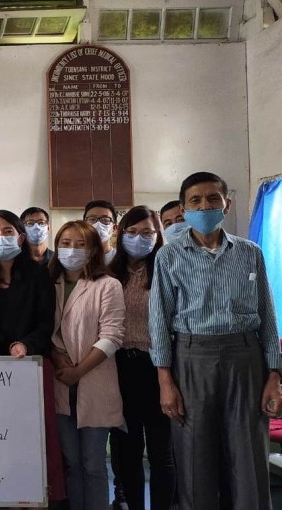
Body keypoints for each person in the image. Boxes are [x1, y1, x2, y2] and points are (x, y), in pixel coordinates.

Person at [149, 172, 280, 510]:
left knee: (249, 455)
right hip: (191, 359)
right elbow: (159, 323)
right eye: (195, 200)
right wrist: (165, 381)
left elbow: (267, 316)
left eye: (212, 199)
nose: (204, 206)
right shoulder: (169, 256)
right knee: (195, 458)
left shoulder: (250, 253)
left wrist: (274, 377)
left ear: (226, 205)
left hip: (244, 357)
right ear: (184, 207)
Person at [0, 210, 65, 507]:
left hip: (30, 367)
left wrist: (25, 344)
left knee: (35, 440)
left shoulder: (38, 273)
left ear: (21, 237)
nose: (1, 238)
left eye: (8, 231)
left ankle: (37, 497)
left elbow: (46, 322)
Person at [48, 220, 125, 510]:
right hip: (60, 382)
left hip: (94, 381)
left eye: (81, 244)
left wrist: (78, 371)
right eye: (66, 243)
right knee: (71, 463)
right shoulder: (49, 283)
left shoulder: (108, 285)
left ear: (94, 249)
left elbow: (112, 336)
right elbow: (46, 331)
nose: (72, 249)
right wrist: (59, 362)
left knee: (93, 464)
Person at [107, 206, 175, 510]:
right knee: (127, 451)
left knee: (162, 453)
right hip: (119, 367)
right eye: (131, 232)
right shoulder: (109, 270)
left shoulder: (168, 266)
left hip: (159, 367)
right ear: (121, 234)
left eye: (147, 232)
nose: (139, 238)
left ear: (157, 234)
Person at [83, 200, 118, 265]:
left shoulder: (120, 259)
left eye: (105, 219)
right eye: (92, 219)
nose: (98, 224)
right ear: (83, 225)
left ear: (114, 228)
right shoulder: (76, 257)